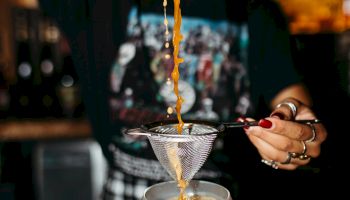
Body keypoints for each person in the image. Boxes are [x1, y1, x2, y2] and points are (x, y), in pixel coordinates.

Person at [39, 0, 328, 199]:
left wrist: (291, 130)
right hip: (123, 189)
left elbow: (289, 95)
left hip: (221, 189)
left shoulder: (254, 8)